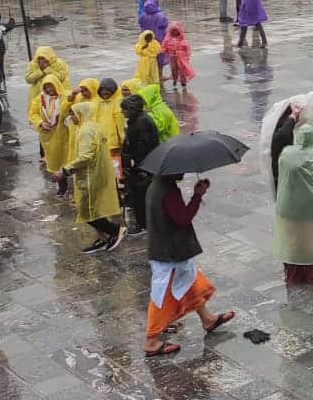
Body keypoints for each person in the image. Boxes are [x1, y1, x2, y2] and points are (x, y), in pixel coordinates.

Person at [143, 174, 234, 356]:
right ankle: (151, 341)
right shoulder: (168, 191)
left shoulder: (156, 186)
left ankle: (207, 319)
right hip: (170, 253)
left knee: (190, 282)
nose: (183, 173)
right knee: (164, 295)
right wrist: (197, 196)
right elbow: (183, 218)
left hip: (167, 249)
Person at [60, 102, 126, 253]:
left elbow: (85, 156)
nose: (71, 117)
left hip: (89, 176)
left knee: (86, 210)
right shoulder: (94, 127)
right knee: (93, 209)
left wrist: (65, 170)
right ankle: (103, 237)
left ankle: (114, 230)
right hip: (97, 174)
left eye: (72, 113)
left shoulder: (85, 131)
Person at [275, 124, 313, 284]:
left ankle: (292, 274)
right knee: (309, 239)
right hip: (309, 206)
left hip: (287, 203)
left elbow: (280, 169)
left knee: (290, 238)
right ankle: (310, 274)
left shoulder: (286, 153)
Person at [120, 94, 160, 236]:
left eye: (124, 109)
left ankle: (143, 224)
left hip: (141, 168)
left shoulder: (142, 121)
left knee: (140, 197)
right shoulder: (136, 120)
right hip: (137, 167)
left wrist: (135, 164)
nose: (122, 112)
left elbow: (143, 146)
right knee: (136, 196)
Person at [29, 74, 72, 183]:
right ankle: (61, 182)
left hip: (64, 134)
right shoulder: (39, 99)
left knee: (66, 158)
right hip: (49, 135)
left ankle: (66, 179)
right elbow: (33, 114)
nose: (49, 89)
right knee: (54, 160)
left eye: (51, 86)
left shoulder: (66, 96)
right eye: (46, 87)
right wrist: (41, 123)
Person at [161, 23, 195, 89]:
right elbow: (164, 47)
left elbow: (187, 48)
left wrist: (185, 55)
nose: (175, 32)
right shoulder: (168, 39)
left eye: (176, 31)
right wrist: (163, 50)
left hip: (181, 58)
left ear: (179, 31)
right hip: (172, 57)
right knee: (173, 69)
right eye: (173, 31)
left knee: (182, 70)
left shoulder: (182, 39)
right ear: (171, 31)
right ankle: (175, 79)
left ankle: (183, 83)